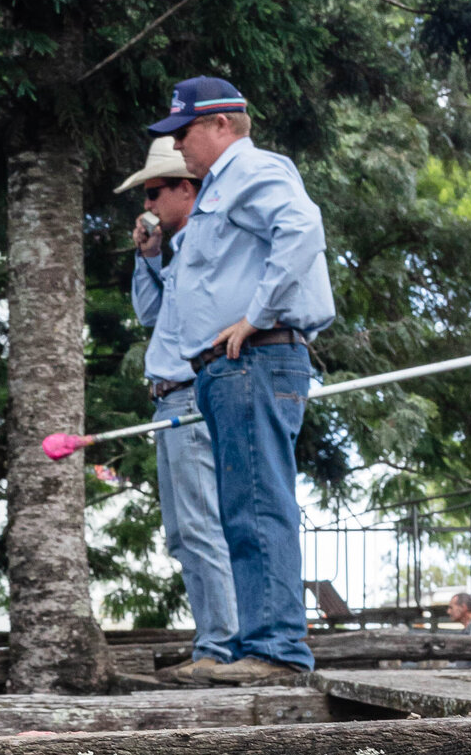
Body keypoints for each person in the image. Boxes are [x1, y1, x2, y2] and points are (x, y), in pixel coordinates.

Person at [139, 75, 334, 682]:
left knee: (256, 505)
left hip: (254, 357)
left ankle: (275, 649)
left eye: (186, 132)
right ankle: (258, 644)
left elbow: (302, 228)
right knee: (240, 509)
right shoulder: (223, 187)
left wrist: (256, 314)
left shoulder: (252, 170)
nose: (180, 147)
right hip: (226, 368)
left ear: (223, 123)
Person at [124, 134, 240, 671]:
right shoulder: (177, 254)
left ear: (186, 189)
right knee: (183, 532)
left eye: (154, 193)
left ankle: (219, 646)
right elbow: (152, 317)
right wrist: (148, 258)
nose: (147, 205)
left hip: (190, 396)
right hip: (168, 402)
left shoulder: (206, 244)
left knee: (200, 526)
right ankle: (214, 641)